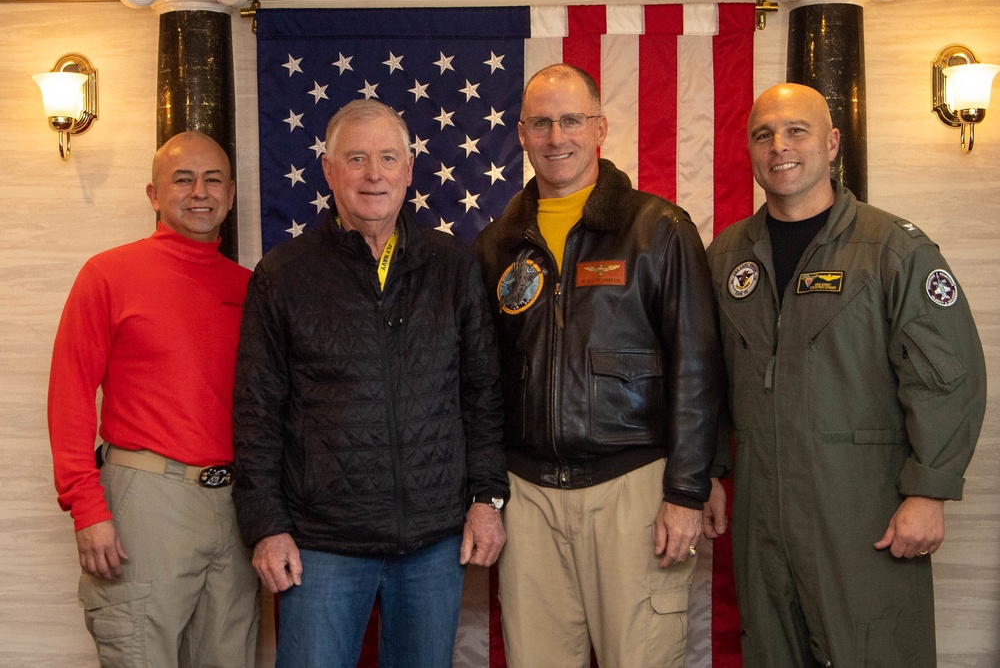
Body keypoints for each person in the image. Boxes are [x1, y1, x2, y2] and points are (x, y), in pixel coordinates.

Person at [704, 83, 987, 667]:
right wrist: (707, 471)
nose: (779, 146)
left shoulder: (892, 250)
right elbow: (705, 376)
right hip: (762, 512)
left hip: (862, 510)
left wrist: (930, 489)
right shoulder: (728, 255)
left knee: (875, 651)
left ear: (832, 144)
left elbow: (947, 375)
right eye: (764, 135)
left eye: (796, 131)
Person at [232, 98, 508, 668]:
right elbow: (256, 411)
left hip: (433, 542)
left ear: (409, 170)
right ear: (329, 171)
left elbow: (482, 395)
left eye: (387, 158)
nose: (374, 174)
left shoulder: (453, 266)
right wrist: (266, 526)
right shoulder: (283, 275)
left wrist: (486, 498)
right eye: (356, 158)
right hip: (321, 544)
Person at [473, 63, 727, 668]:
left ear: (600, 128)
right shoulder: (494, 246)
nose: (556, 136)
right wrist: (484, 490)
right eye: (541, 123)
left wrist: (687, 492)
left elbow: (698, 365)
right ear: (523, 133)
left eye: (571, 120)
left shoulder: (657, 229)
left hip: (633, 491)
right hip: (527, 495)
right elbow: (479, 383)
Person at [47, 131, 260, 667]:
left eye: (212, 180)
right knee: (140, 651)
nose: (199, 192)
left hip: (235, 504)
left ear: (231, 194)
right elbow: (69, 392)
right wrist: (87, 507)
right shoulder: (109, 274)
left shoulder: (251, 287)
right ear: (153, 194)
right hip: (147, 498)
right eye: (182, 179)